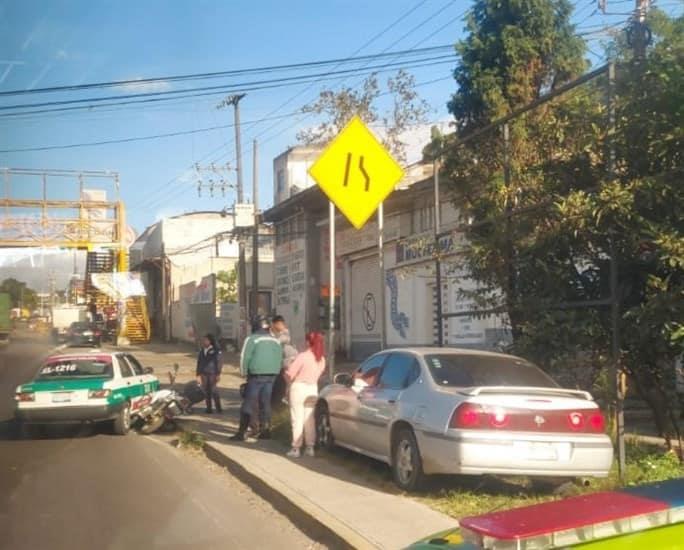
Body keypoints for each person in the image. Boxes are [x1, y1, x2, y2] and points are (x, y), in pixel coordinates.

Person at [231, 317, 283, 441]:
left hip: (256, 376)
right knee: (265, 403)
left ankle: (241, 432)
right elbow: (279, 358)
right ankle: (265, 430)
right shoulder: (275, 340)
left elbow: (245, 356)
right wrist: (275, 373)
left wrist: (243, 372)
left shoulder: (252, 339)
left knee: (249, 403)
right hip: (271, 376)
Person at [284, 332, 326, 458]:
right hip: (313, 389)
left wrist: (286, 372)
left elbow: (290, 374)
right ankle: (310, 447)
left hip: (299, 388)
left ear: (308, 342)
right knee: (309, 419)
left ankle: (296, 448)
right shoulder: (321, 359)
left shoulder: (302, 356)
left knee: (297, 419)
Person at [270, 315, 297, 405]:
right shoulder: (272, 333)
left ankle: (281, 403)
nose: (281, 326)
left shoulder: (285, 334)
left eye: (281, 324)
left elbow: (281, 341)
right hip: (277, 365)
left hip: (286, 364)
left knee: (282, 386)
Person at [195, 334, 222, 414]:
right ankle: (208, 408)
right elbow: (199, 363)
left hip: (212, 373)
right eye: (203, 340)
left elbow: (219, 362)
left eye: (206, 340)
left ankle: (218, 408)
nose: (204, 341)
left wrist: (218, 374)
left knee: (214, 390)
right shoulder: (202, 350)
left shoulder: (216, 350)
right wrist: (198, 374)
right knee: (206, 391)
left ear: (210, 341)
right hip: (204, 374)